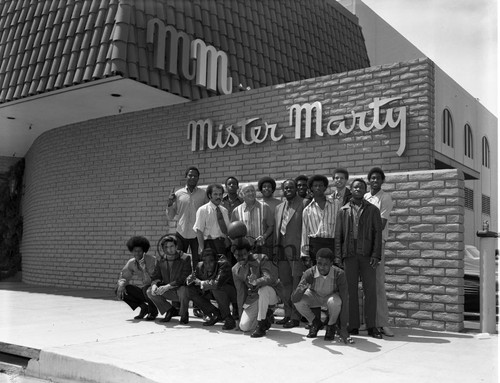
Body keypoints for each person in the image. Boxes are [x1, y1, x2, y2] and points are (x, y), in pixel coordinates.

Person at [335, 178, 383, 339]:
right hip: (349, 255)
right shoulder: (343, 210)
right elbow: (338, 237)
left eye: (361, 187)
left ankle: (372, 326)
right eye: (355, 187)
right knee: (350, 291)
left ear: (365, 190)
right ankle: (353, 325)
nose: (358, 189)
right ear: (352, 189)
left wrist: (376, 255)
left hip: (367, 255)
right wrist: (338, 258)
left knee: (370, 291)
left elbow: (378, 234)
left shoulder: (373, 210)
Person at [292, 248, 351, 343]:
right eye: (319, 263)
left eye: (325, 264)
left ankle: (331, 326)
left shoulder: (339, 274)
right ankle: (315, 323)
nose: (321, 267)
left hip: (330, 297)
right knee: (299, 302)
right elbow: (294, 299)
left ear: (331, 264)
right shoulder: (309, 273)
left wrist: (343, 328)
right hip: (314, 296)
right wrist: (300, 289)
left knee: (336, 303)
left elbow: (345, 300)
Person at [365, 167, 394, 337]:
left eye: (378, 178)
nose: (375, 181)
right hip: (362, 245)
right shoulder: (365, 196)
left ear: (382, 181)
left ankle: (383, 323)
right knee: (366, 285)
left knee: (378, 284)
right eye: (372, 178)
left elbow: (380, 224)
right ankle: (368, 322)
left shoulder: (385, 198)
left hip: (376, 244)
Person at [232, 238, 281, 338]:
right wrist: (241, 315)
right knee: (244, 326)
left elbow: (269, 278)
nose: (240, 257)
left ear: (249, 252)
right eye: (237, 255)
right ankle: (267, 316)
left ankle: (261, 325)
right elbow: (240, 293)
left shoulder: (261, 258)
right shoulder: (235, 270)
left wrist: (256, 281)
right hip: (254, 298)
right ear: (233, 255)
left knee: (263, 290)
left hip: (270, 294)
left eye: (244, 254)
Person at [274, 179, 305, 328]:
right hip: (281, 250)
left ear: (296, 189)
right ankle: (287, 314)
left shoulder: (304, 203)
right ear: (282, 190)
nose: (288, 190)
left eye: (291, 187)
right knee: (285, 283)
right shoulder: (279, 207)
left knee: (296, 283)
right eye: (286, 188)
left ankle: (295, 316)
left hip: (296, 250)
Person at [186, 248, 237, 330]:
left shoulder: (224, 264)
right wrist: (189, 279)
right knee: (190, 290)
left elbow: (217, 283)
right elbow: (194, 277)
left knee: (215, 288)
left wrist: (201, 283)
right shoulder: (200, 266)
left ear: (216, 260)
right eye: (205, 262)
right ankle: (215, 314)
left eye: (211, 261)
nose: (208, 265)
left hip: (230, 294)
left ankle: (228, 318)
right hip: (212, 292)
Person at [166, 166, 208, 266]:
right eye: (190, 175)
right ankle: (180, 281)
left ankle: (196, 281)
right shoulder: (178, 194)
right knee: (179, 261)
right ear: (186, 177)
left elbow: (207, 212)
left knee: (198, 261)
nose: (193, 178)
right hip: (181, 233)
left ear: (198, 178)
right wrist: (169, 204)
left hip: (197, 234)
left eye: (195, 176)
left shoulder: (203, 194)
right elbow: (171, 216)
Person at [146, 235, 192, 324]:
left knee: (183, 289)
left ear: (176, 246)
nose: (169, 249)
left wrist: (167, 286)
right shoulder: (160, 259)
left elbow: (184, 278)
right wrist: (154, 285)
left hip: (183, 291)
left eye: (171, 246)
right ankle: (170, 310)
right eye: (166, 247)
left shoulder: (185, 258)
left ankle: (184, 314)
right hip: (169, 291)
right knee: (149, 292)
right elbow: (156, 276)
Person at [116, 236, 158, 320]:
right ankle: (144, 308)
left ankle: (152, 312)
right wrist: (121, 285)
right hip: (145, 290)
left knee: (146, 288)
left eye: (140, 251)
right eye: (135, 251)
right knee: (121, 289)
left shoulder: (152, 260)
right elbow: (124, 276)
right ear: (132, 251)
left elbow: (152, 280)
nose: (137, 253)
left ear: (144, 251)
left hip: (155, 288)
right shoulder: (131, 262)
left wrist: (143, 269)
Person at [301, 175, 336, 266]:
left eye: (321, 185)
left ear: (325, 187)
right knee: (317, 275)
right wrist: (305, 254)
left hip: (332, 244)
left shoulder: (336, 204)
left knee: (332, 274)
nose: (318, 188)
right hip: (315, 245)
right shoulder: (307, 210)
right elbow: (305, 233)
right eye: (315, 186)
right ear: (311, 188)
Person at [231, 184, 274, 256]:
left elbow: (271, 226)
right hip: (245, 249)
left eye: (252, 190)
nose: (251, 193)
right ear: (241, 194)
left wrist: (264, 236)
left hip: (262, 248)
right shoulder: (236, 211)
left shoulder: (265, 207)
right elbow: (233, 231)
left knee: (263, 267)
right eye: (247, 191)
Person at [193, 183, 231, 256]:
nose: (218, 197)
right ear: (210, 195)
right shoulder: (203, 210)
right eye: (215, 194)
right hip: (210, 244)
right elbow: (199, 231)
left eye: (220, 194)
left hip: (223, 245)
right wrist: (202, 248)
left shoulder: (224, 211)